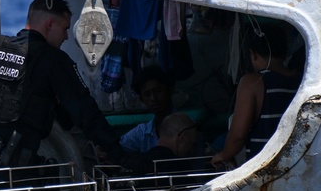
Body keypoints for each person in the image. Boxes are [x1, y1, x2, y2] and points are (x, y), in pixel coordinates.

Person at [0, 0, 124, 175]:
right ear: (50, 25)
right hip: (11, 173)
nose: (66, 37)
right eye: (65, 29)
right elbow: (85, 111)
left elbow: (26, 97)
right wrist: (120, 153)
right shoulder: (52, 59)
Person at [212, 23, 302, 167]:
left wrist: (224, 155)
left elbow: (238, 135)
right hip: (296, 162)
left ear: (253, 55)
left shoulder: (253, 82)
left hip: (263, 168)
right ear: (284, 52)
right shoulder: (300, 79)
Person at [121, 112, 201, 175]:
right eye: (192, 144)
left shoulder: (135, 163)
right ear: (182, 138)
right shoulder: (181, 168)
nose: (192, 150)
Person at [118, 66, 176, 153]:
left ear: (169, 90)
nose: (153, 98)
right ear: (142, 99)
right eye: (147, 94)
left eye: (158, 91)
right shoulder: (144, 132)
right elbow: (119, 147)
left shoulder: (187, 127)